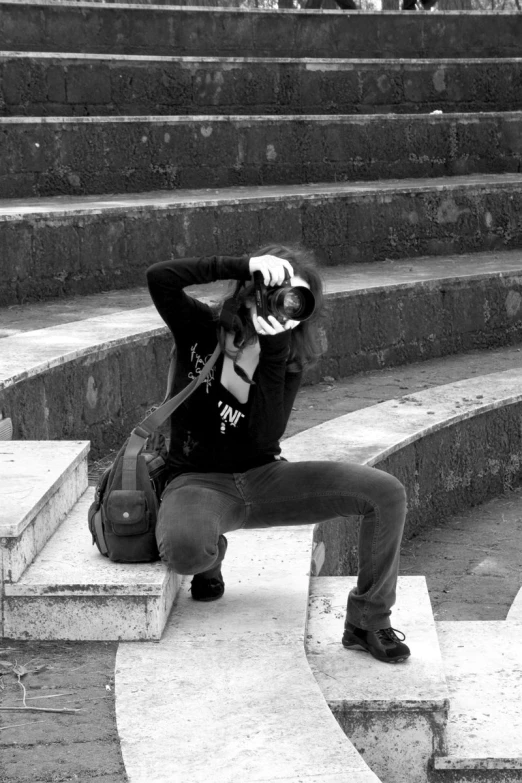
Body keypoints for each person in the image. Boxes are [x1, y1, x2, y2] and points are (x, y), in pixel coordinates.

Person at [146, 246, 410, 664]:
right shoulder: (199, 326)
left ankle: (368, 620)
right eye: (275, 290)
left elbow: (264, 438)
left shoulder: (285, 356)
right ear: (252, 288)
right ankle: (210, 552)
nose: (282, 304)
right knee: (186, 552)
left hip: (263, 478)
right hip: (197, 479)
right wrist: (239, 264)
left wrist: (274, 350)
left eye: (295, 299)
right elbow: (159, 276)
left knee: (385, 493)